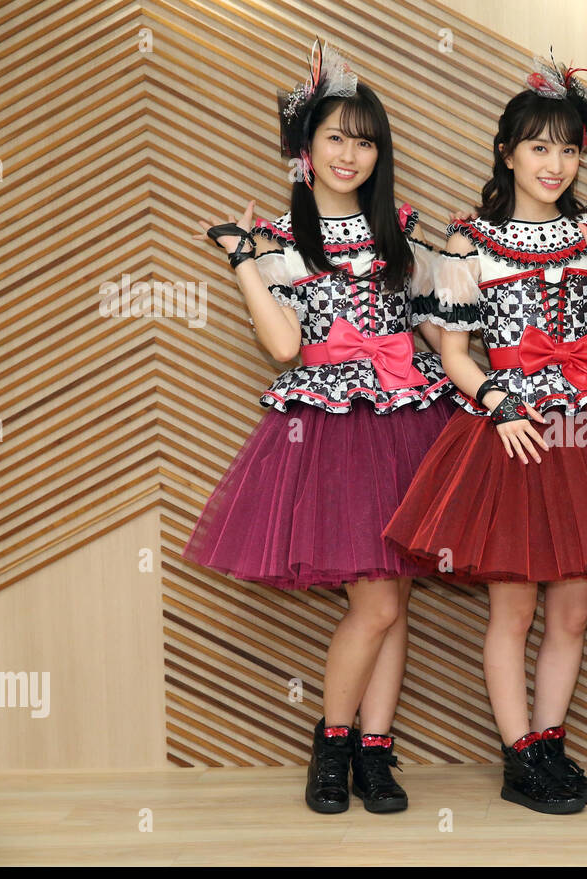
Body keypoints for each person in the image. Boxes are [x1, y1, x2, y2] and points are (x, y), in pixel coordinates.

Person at [383, 55, 587, 814]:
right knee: (512, 610)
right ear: (507, 152)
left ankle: (549, 745)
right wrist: (502, 400)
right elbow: (450, 353)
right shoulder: (465, 242)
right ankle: (518, 760)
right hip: (512, 433)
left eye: (569, 148)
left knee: (573, 610)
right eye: (539, 147)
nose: (555, 163)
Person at [184, 39, 454, 814]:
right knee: (373, 604)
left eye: (364, 139)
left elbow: (440, 329)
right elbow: (282, 346)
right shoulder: (276, 239)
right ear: (304, 150)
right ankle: (332, 747)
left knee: (392, 597)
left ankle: (375, 752)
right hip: (328, 433)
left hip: (409, 418)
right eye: (335, 137)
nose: (350, 152)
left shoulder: (403, 230)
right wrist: (241, 260)